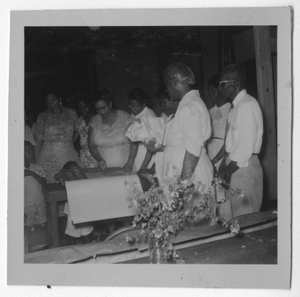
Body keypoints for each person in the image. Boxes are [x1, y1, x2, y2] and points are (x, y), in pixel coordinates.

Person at [213, 64, 264, 220]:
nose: (219, 87)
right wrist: (216, 162)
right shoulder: (234, 107)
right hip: (232, 166)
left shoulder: (248, 105)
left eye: (222, 83)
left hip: (243, 167)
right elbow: (229, 143)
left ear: (234, 83)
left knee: (246, 219)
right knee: (232, 219)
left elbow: (244, 149)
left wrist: (226, 172)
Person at [158, 62, 213, 188]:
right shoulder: (187, 103)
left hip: (192, 175)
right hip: (185, 171)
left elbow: (192, 152)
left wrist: (182, 186)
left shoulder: (189, 106)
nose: (166, 89)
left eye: (166, 84)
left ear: (174, 82)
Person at [35, 92, 80, 183]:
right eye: (48, 101)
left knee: (72, 181)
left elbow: (79, 129)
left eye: (53, 100)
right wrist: (36, 160)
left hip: (68, 152)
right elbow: (39, 139)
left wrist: (71, 141)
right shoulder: (42, 116)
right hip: (48, 156)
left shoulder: (71, 113)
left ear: (59, 99)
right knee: (52, 184)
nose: (50, 103)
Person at [88, 88, 135, 171]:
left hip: (125, 167)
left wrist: (130, 163)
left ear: (110, 103)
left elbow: (134, 143)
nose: (101, 111)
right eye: (98, 109)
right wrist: (99, 159)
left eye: (103, 108)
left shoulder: (125, 117)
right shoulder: (94, 121)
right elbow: (91, 145)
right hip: (104, 169)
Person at [125, 88, 164, 173]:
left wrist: (143, 168)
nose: (133, 109)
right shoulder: (136, 113)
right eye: (130, 105)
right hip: (137, 154)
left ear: (144, 104)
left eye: (136, 106)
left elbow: (152, 145)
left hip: (147, 157)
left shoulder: (149, 116)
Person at [56, 161, 94, 246]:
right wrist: (64, 173)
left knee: (86, 235)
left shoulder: (83, 178)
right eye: (74, 167)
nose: (77, 168)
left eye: (77, 166)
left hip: (84, 212)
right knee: (72, 235)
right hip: (72, 214)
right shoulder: (67, 182)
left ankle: (89, 251)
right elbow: (57, 176)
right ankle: (72, 250)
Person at [24, 141, 48, 251]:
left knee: (40, 226)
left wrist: (31, 173)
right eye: (27, 151)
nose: (31, 154)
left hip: (39, 203)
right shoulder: (15, 170)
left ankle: (40, 248)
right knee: (26, 228)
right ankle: (25, 250)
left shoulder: (37, 167)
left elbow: (44, 182)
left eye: (31, 151)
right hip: (26, 206)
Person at [206, 74, 231, 163]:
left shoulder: (230, 110)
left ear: (221, 90)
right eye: (209, 91)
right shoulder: (210, 112)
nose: (211, 94)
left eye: (214, 90)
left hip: (223, 155)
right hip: (210, 153)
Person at [73, 97, 98, 168]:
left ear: (90, 105)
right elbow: (74, 139)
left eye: (85, 107)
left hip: (97, 153)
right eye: (80, 109)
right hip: (84, 155)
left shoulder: (98, 118)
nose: (83, 110)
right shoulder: (79, 121)